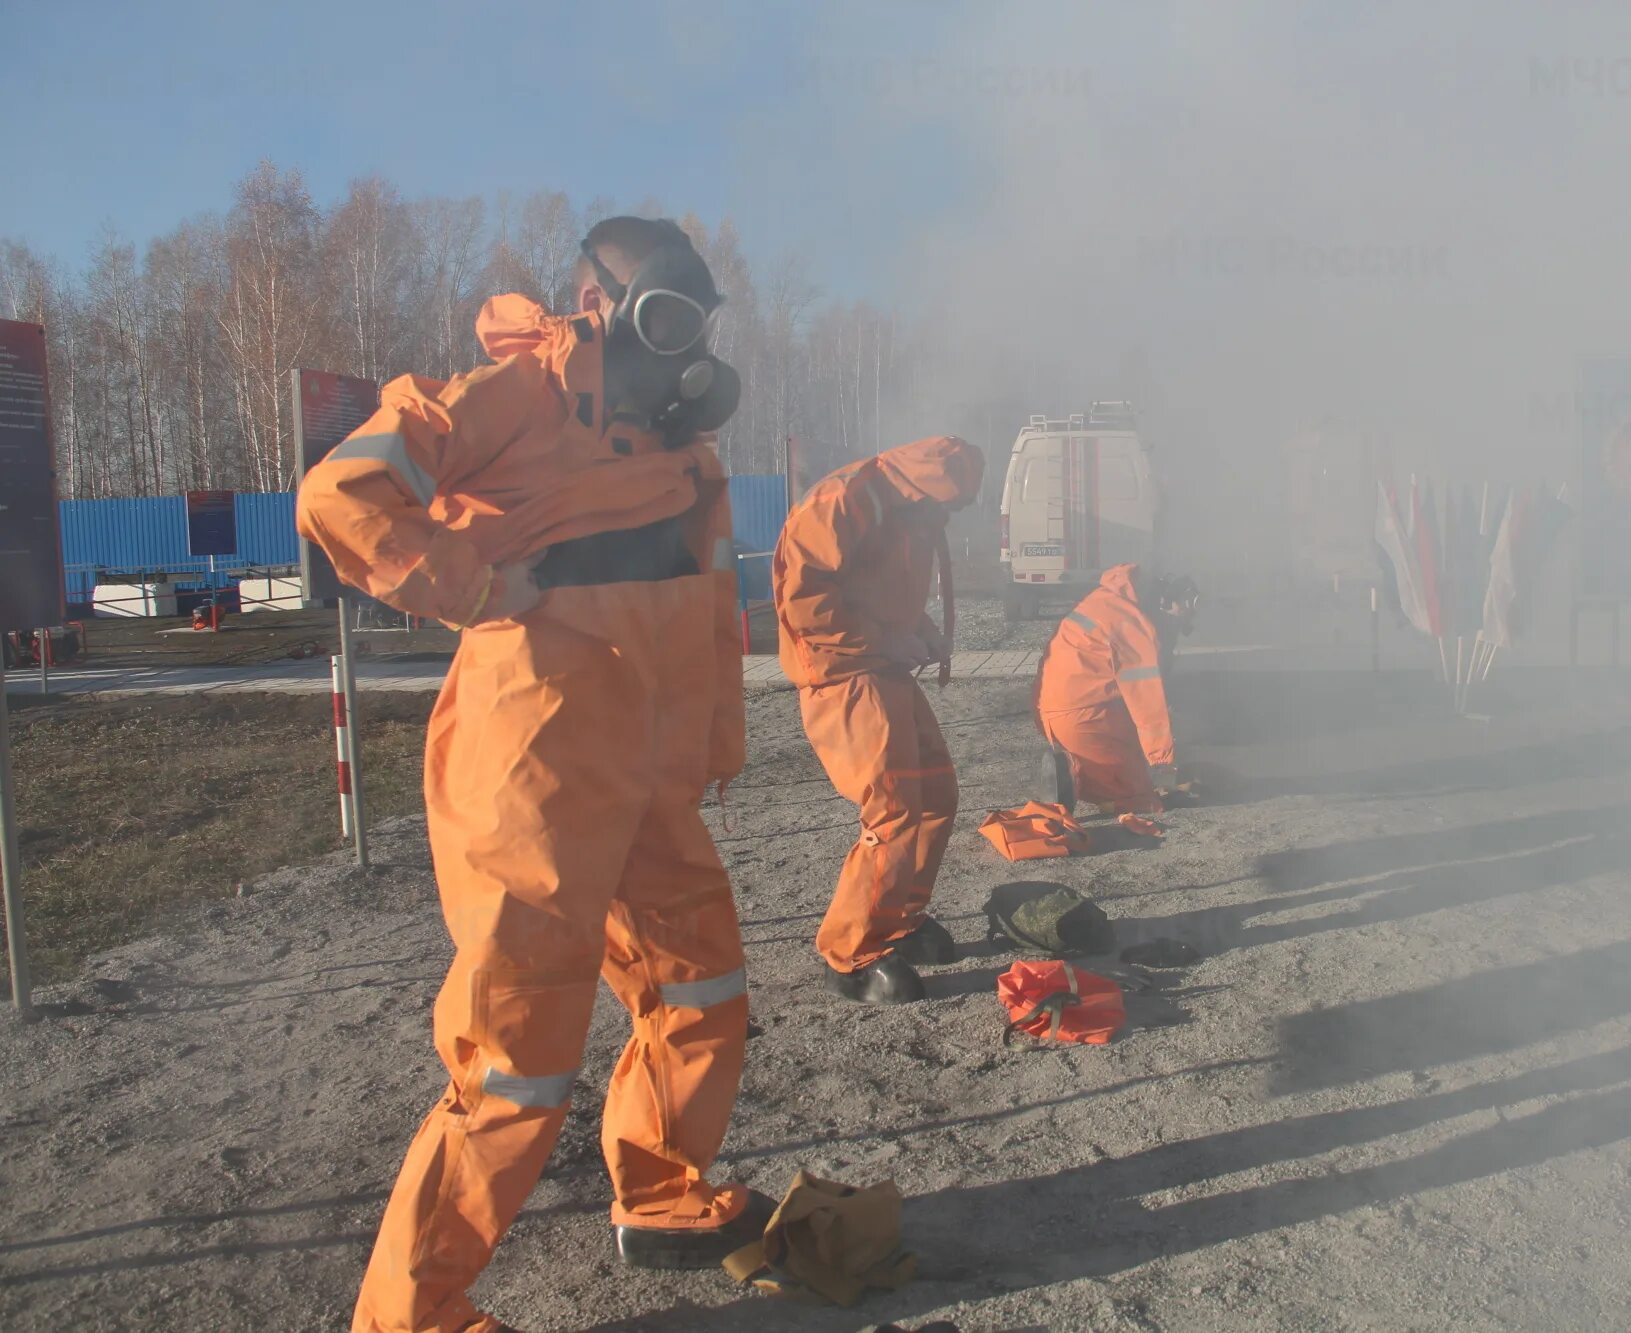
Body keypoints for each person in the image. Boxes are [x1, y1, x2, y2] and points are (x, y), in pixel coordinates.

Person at [299, 216, 767, 1333]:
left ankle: (660, 1193)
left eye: (696, 313)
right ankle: (409, 1315)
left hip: (647, 775)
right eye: (664, 306)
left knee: (701, 984)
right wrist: (464, 580)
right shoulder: (512, 397)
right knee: (515, 1052)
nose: (681, 334)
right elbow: (341, 492)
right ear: (595, 301)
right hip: (534, 769)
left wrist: (710, 746)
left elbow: (709, 608)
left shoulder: (683, 450)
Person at [772, 436, 984, 1004]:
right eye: (947, 508)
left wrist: (921, 627)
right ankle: (850, 955)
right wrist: (885, 638)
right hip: (842, 674)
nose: (949, 518)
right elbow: (805, 605)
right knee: (892, 810)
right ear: (924, 492)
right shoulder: (842, 503)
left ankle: (899, 921)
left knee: (936, 794)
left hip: (882, 666)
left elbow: (880, 586)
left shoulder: (911, 506)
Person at [1035, 564, 1193, 814]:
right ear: (1164, 600)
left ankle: (1072, 769)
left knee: (1122, 763)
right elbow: (1146, 699)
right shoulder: (1131, 623)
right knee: (1140, 796)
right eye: (1183, 607)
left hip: (1055, 716)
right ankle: (1075, 782)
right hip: (1086, 720)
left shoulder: (1107, 600)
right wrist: (1162, 763)